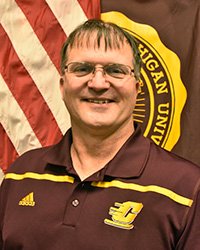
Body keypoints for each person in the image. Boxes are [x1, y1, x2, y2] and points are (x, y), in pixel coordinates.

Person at [0, 19, 200, 250]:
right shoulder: (21, 175)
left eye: (115, 71)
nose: (97, 83)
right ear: (63, 85)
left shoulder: (187, 189)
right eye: (82, 69)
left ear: (136, 89)